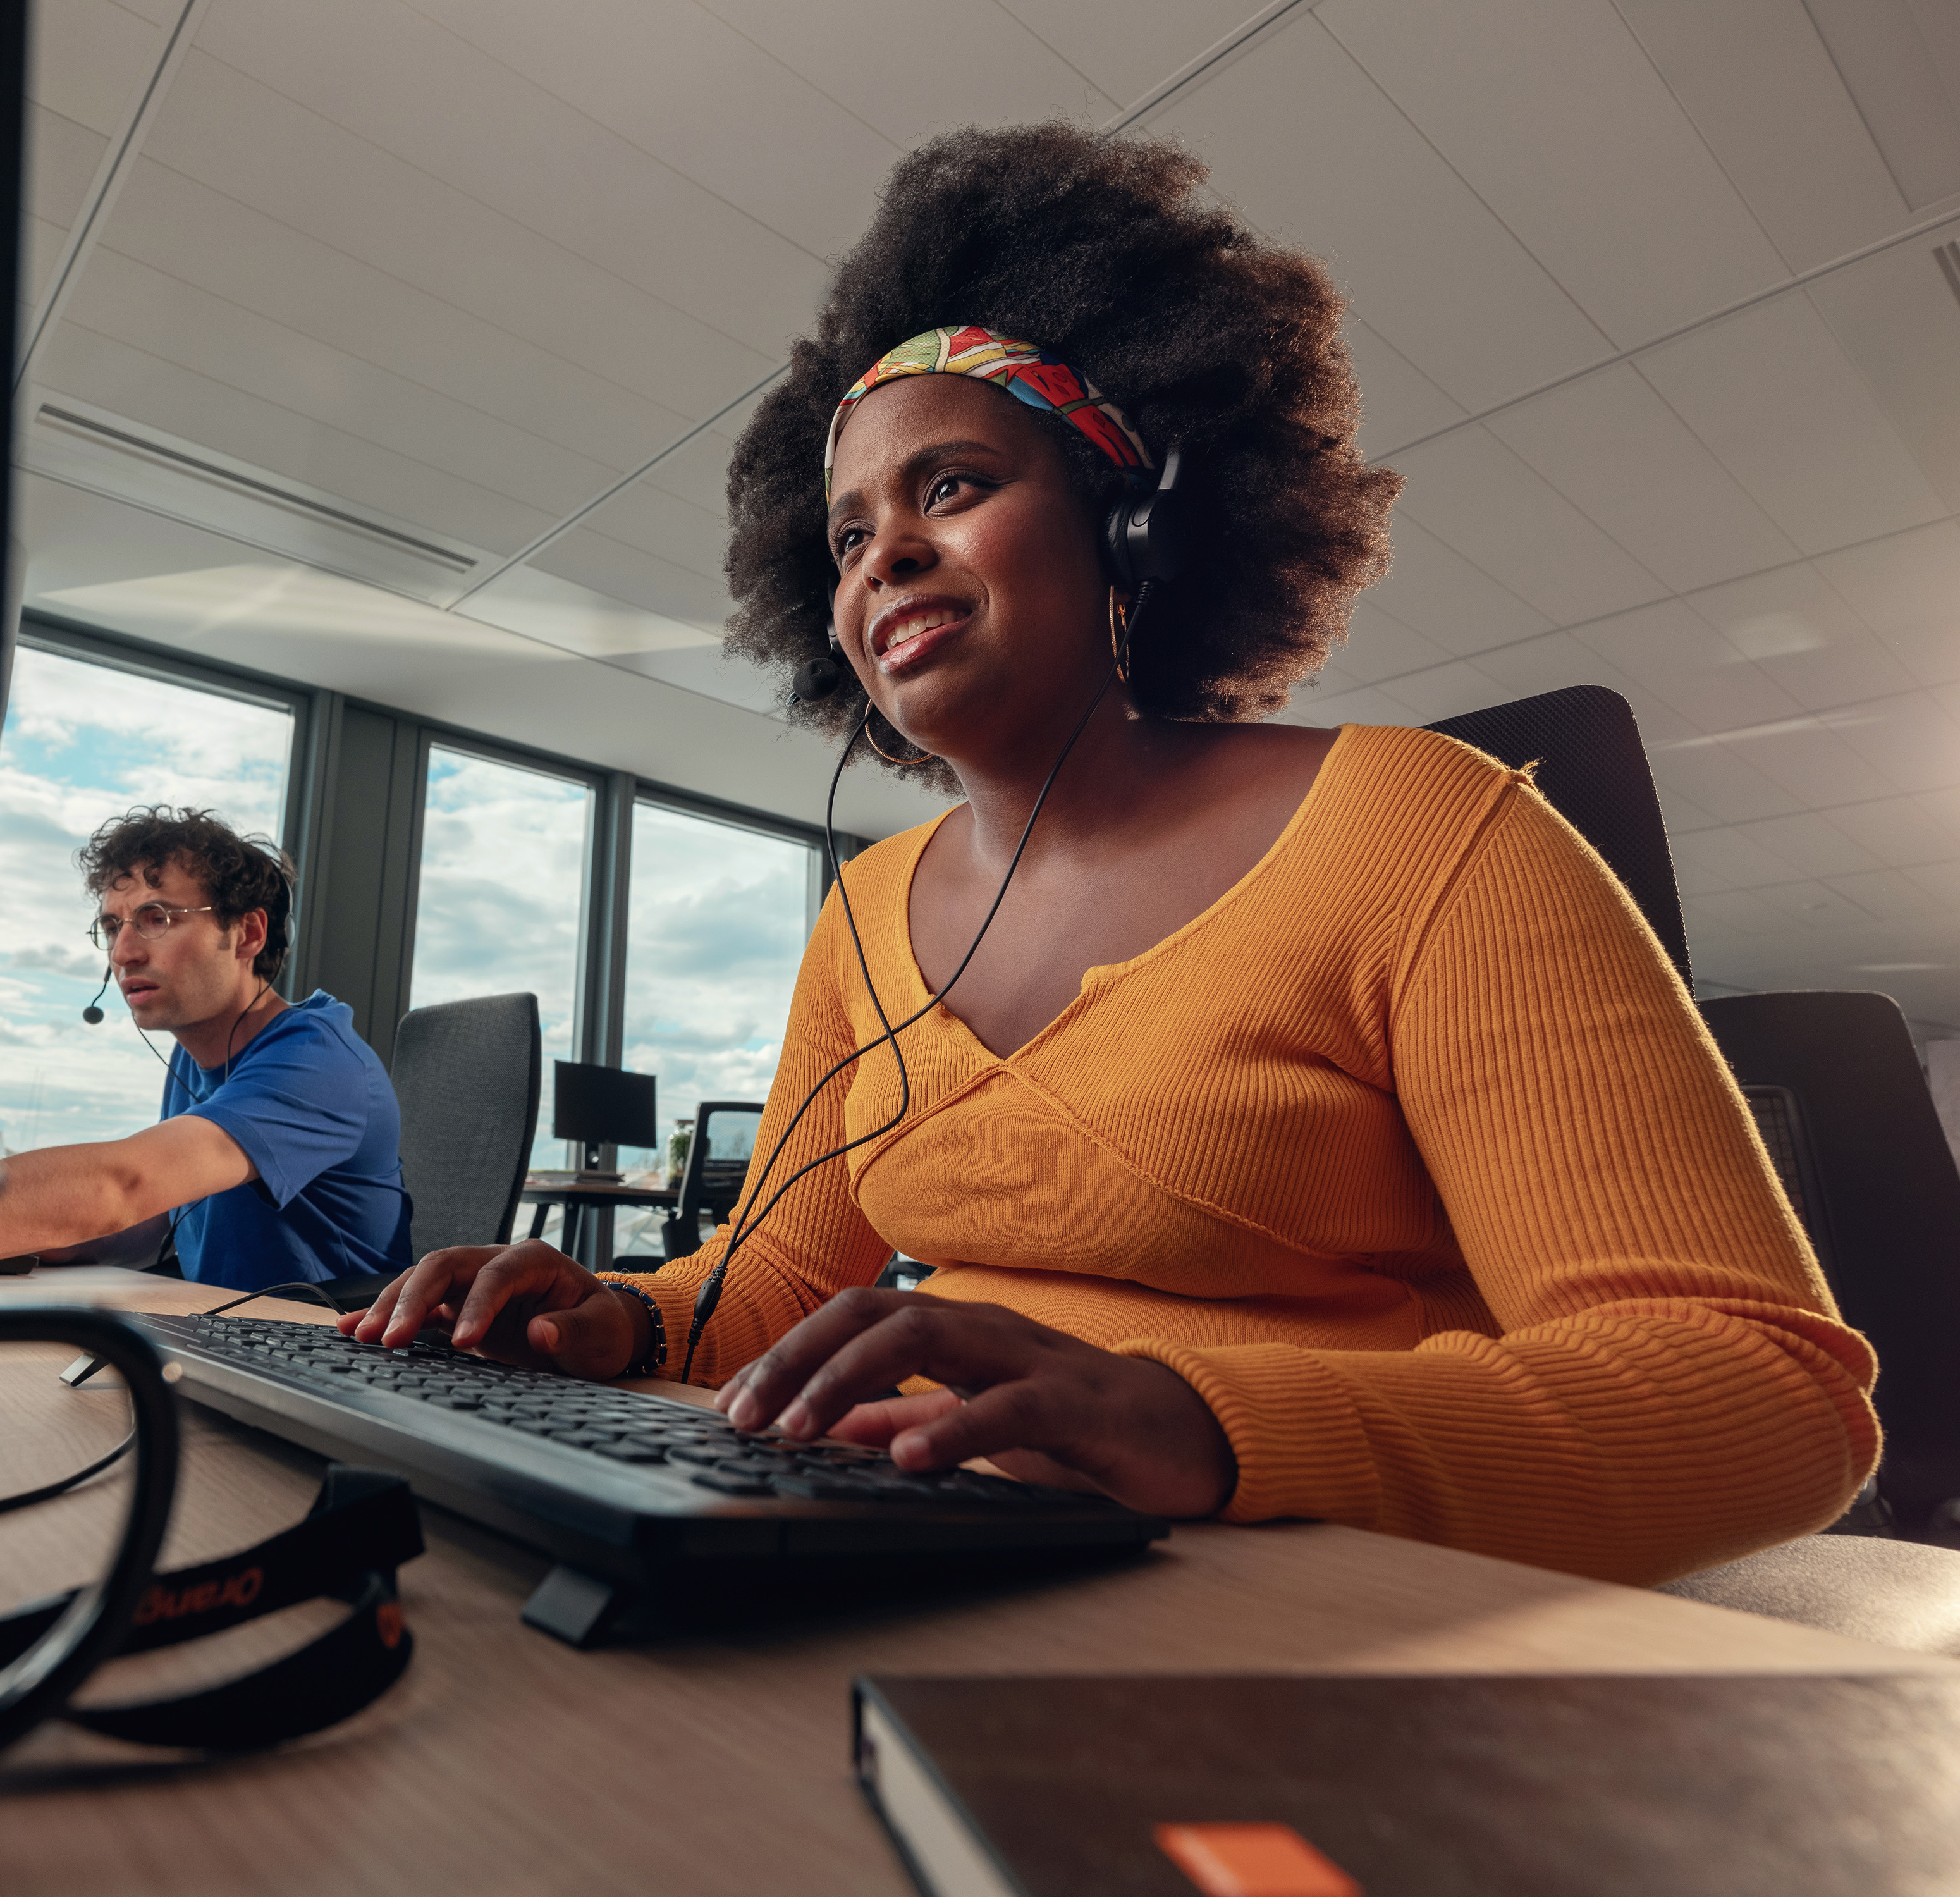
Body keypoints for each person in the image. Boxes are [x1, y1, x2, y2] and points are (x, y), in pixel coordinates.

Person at [340, 124, 1878, 1587]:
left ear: (1132, 519)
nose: (885, 554)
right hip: (934, 1560)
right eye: (849, 533)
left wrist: (1198, 1419)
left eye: (951, 485)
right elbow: (774, 1295)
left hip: (1319, 1598)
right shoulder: (867, 909)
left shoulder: (1427, 827)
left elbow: (1758, 1389)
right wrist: (606, 1316)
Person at [0, 806, 412, 1290]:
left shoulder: (318, 1061)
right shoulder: (196, 1053)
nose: (123, 953)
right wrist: (63, 1235)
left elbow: (121, 1186)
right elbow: (163, 1217)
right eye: (111, 927)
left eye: (155, 918)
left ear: (248, 934)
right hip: (222, 1329)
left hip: (324, 1347)